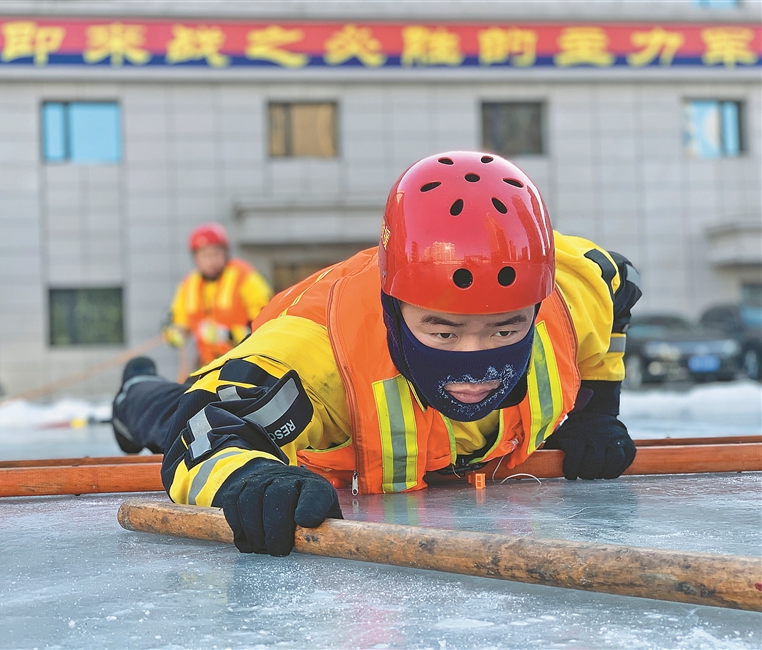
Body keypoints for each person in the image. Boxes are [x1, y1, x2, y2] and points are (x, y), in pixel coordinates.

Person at [112, 151, 642, 557]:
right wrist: (250, 479)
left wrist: (595, 414)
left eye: (505, 328)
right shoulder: (319, 352)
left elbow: (619, 282)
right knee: (172, 413)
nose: (477, 361)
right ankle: (135, 393)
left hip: (440, 439)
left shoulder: (572, 294)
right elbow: (203, 423)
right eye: (444, 333)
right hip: (303, 413)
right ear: (394, 308)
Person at [162, 222, 274, 367]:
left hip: (245, 361)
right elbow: (180, 321)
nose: (211, 261)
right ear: (196, 258)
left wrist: (227, 334)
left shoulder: (245, 277)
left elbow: (266, 323)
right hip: (208, 364)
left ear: (225, 253)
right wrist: (175, 335)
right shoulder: (188, 285)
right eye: (204, 256)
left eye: (215, 254)